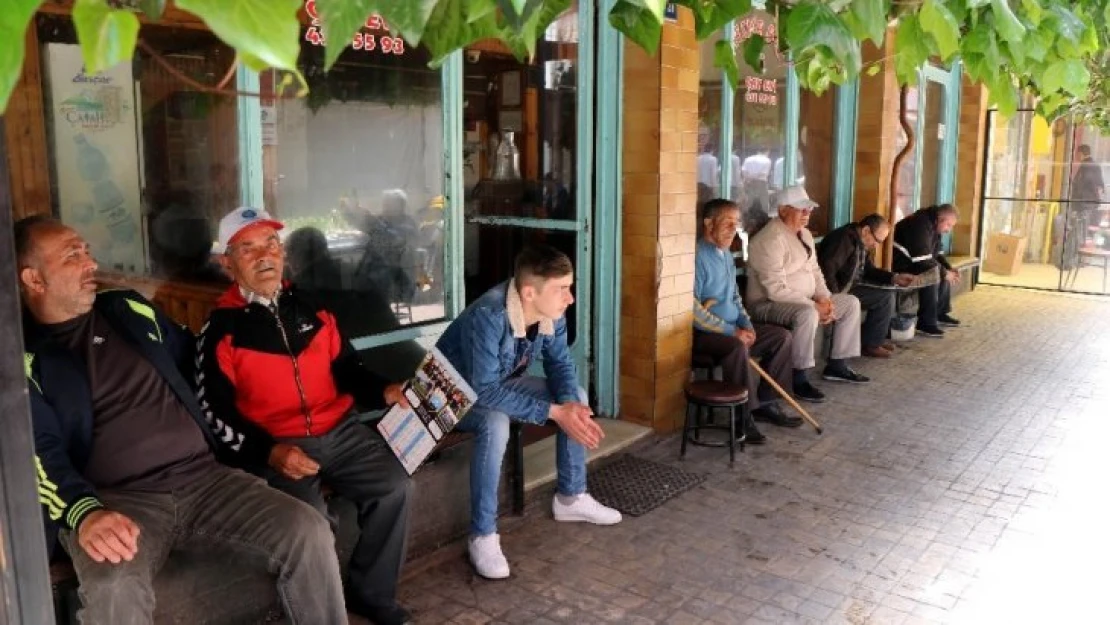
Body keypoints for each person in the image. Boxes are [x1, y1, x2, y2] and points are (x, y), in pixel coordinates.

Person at [15, 216, 345, 625]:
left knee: (307, 530)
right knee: (113, 583)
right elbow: (34, 452)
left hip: (207, 479)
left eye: (86, 251)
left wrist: (261, 420)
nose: (90, 264)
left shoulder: (126, 308)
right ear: (34, 278)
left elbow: (200, 363)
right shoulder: (23, 358)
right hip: (119, 502)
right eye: (73, 256)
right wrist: (84, 512)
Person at [197, 207, 414, 624]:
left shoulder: (313, 307)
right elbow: (214, 412)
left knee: (396, 487)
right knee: (312, 525)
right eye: (248, 248)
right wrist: (269, 451)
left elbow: (346, 366)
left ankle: (372, 594)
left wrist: (383, 388)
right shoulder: (221, 329)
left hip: (341, 430)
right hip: (278, 444)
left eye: (271, 244)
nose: (264, 256)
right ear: (227, 263)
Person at [436, 245, 622, 580]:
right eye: (562, 289)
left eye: (570, 287)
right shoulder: (489, 316)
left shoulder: (552, 313)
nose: (570, 298)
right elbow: (484, 390)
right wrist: (554, 412)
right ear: (528, 293)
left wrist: (569, 408)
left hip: (495, 385)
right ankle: (483, 534)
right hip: (452, 397)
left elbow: (560, 364)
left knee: (575, 394)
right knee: (495, 423)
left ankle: (570, 497)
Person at [746, 186, 868, 404]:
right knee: (806, 315)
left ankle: (837, 364)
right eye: (801, 209)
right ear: (783, 210)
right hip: (767, 304)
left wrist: (824, 298)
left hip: (807, 299)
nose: (807, 213)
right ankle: (799, 377)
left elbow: (815, 271)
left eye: (809, 209)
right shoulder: (769, 240)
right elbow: (775, 290)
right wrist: (813, 306)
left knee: (849, 303)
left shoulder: (804, 235)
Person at [694, 199, 802, 440]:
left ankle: (767, 402)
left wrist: (747, 326)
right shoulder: (697, 257)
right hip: (705, 335)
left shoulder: (726, 256)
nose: (733, 229)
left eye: (736, 224)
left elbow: (734, 297)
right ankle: (744, 417)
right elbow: (692, 310)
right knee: (736, 347)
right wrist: (732, 332)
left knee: (781, 337)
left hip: (733, 328)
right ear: (708, 223)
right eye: (727, 223)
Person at [817, 214, 915, 358]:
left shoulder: (860, 242)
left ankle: (873, 340)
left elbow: (869, 270)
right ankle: (871, 344)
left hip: (850, 286)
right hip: (837, 290)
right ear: (866, 231)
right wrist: (835, 297)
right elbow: (828, 270)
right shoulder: (843, 239)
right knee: (884, 298)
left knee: (888, 293)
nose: (876, 245)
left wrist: (894, 277)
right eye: (877, 240)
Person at [892, 203, 960, 338]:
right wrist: (945, 273)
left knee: (941, 269)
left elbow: (937, 255)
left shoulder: (934, 225)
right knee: (933, 272)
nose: (948, 230)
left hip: (914, 261)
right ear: (940, 219)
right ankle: (926, 324)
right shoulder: (920, 223)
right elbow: (921, 258)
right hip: (900, 263)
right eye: (948, 225)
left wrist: (949, 268)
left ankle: (939, 313)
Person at [1071, 144, 1104, 230]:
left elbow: (1082, 182)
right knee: (1085, 227)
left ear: (1081, 154)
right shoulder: (1096, 165)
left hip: (1083, 202)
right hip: (1092, 202)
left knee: (1078, 226)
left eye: (1077, 154)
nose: (1077, 156)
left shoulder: (1085, 166)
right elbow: (1100, 183)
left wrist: (1074, 192)